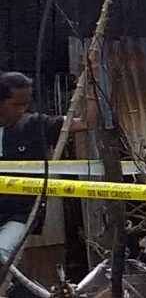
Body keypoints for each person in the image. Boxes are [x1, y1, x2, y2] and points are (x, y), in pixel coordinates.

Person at [0, 71, 92, 267]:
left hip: (20, 212)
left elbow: (86, 122)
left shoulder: (34, 125)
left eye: (25, 104)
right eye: (16, 104)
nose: (21, 110)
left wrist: (92, 87)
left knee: (2, 252)